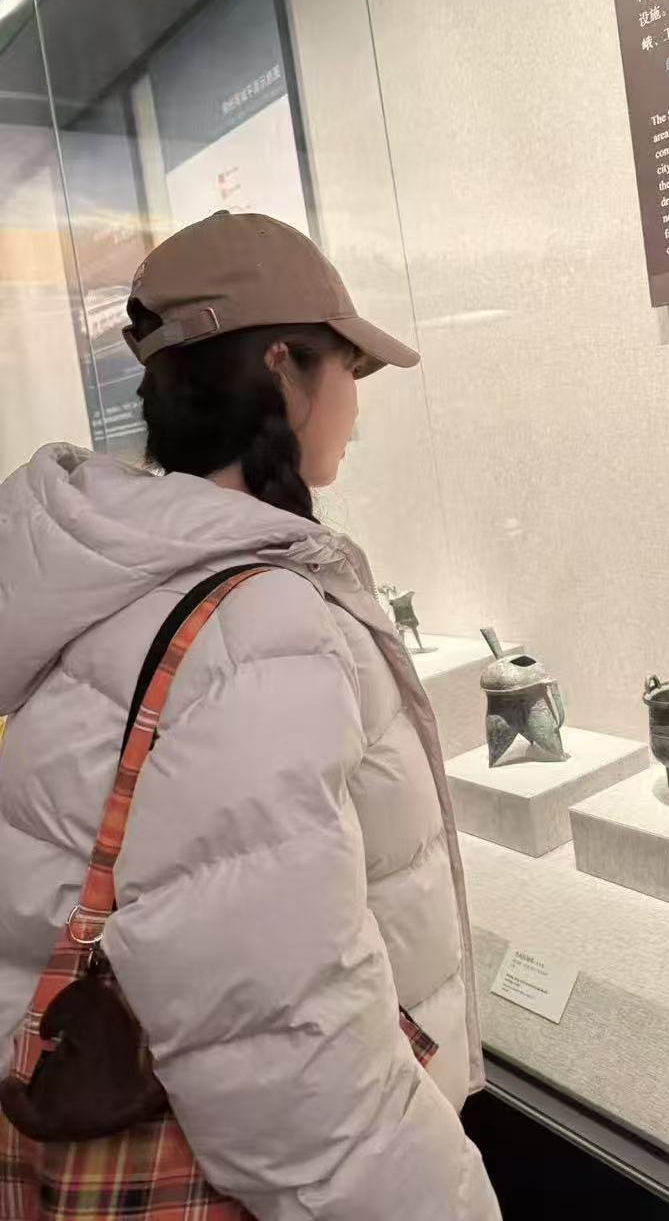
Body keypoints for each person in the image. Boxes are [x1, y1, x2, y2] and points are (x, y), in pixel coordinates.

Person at [0, 212, 500, 1220]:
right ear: (283, 369)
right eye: (348, 365)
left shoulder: (120, 574)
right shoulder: (258, 627)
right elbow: (289, 1048)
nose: (355, 403)